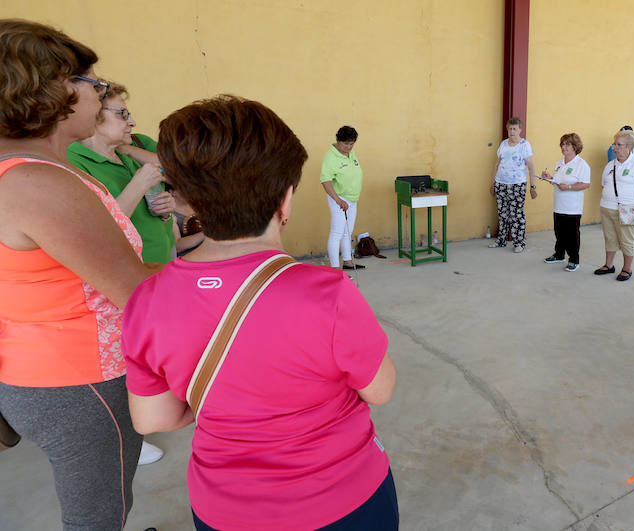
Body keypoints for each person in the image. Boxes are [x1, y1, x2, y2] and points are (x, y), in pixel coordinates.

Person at [123, 96, 399, 531]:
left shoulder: (146, 300)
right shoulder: (327, 293)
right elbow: (379, 390)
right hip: (345, 499)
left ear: (183, 200)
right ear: (285, 202)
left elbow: (153, 418)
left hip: (225, 509)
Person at [0, 19, 159, 529]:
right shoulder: (38, 183)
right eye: (94, 82)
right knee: (99, 513)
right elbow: (135, 288)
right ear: (52, 88)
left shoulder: (29, 170)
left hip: (41, 369)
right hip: (80, 379)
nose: (102, 92)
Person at [68, 82, 176, 264]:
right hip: (127, 276)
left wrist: (165, 211)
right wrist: (138, 185)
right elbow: (101, 232)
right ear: (94, 114)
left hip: (162, 265)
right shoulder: (72, 161)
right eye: (122, 114)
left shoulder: (127, 154)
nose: (132, 122)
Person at [594, 129, 634, 281]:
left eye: (619, 144)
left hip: (629, 208)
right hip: (607, 207)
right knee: (610, 238)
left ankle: (627, 269)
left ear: (630, 147)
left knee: (627, 240)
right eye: (614, 144)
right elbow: (604, 185)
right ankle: (609, 265)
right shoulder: (610, 165)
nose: (614, 147)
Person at [541, 133, 591, 271]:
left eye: (567, 144)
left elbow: (586, 184)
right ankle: (559, 255)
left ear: (575, 146)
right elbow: (558, 183)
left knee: (572, 236)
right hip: (559, 206)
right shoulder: (560, 163)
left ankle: (574, 260)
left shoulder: (581, 164)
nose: (564, 147)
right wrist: (549, 178)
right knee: (559, 233)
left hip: (572, 208)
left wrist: (569, 187)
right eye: (562, 144)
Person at [489, 117, 537, 253]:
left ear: (520, 130)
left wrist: (533, 187)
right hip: (501, 184)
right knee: (502, 214)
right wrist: (493, 183)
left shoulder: (524, 145)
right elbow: (497, 165)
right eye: (510, 128)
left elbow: (532, 167)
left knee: (517, 215)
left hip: (517, 185)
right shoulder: (503, 144)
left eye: (515, 129)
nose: (512, 131)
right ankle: (501, 240)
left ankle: (519, 243)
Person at [321, 125, 365, 270]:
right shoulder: (330, 157)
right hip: (339, 199)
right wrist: (338, 200)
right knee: (337, 233)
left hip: (353, 199)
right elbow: (325, 181)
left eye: (352, 143)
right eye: (346, 143)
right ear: (338, 141)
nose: (349, 147)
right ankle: (334, 269)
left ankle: (348, 262)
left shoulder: (351, 154)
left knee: (347, 232)